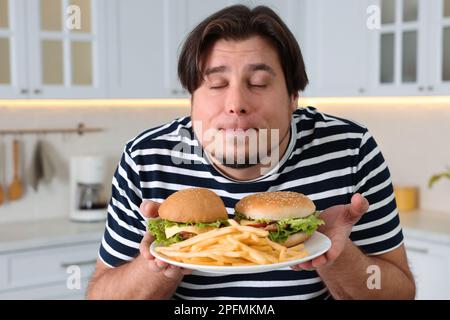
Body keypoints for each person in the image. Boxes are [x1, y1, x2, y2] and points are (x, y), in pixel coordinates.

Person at [87, 5, 415, 300]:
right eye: (216, 85)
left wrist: (335, 255)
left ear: (292, 98)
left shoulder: (350, 149)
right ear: (191, 101)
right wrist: (164, 261)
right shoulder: (146, 158)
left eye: (258, 83)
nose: (236, 105)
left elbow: (400, 295)